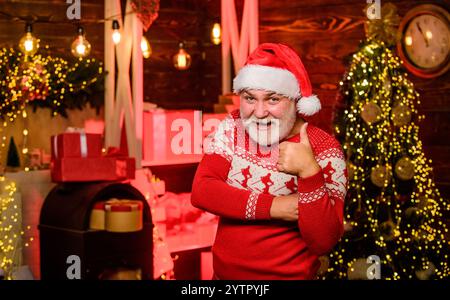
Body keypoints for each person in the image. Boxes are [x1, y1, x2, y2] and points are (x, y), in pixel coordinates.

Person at [191, 43, 348, 280]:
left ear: (296, 101)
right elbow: (203, 190)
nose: (260, 112)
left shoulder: (324, 148)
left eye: (273, 99)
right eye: (250, 98)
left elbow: (324, 241)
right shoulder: (233, 126)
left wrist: (309, 172)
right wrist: (276, 207)